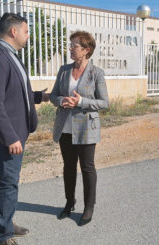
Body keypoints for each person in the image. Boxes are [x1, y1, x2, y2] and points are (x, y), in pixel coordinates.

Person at [0, 13, 49, 245]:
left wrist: (40, 96)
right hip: (5, 136)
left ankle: (5, 222)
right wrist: (10, 137)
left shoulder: (10, 55)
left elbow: (14, 92)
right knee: (8, 181)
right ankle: (4, 235)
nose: (29, 36)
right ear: (14, 32)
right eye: (26, 31)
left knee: (9, 180)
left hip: (16, 132)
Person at [50, 31, 109, 226]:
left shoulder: (96, 73)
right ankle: (69, 203)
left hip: (86, 127)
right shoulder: (64, 70)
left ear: (86, 50)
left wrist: (82, 101)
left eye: (75, 45)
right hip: (65, 127)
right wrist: (62, 100)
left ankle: (89, 206)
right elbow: (53, 96)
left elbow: (104, 103)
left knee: (87, 167)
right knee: (68, 167)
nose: (70, 48)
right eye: (71, 44)